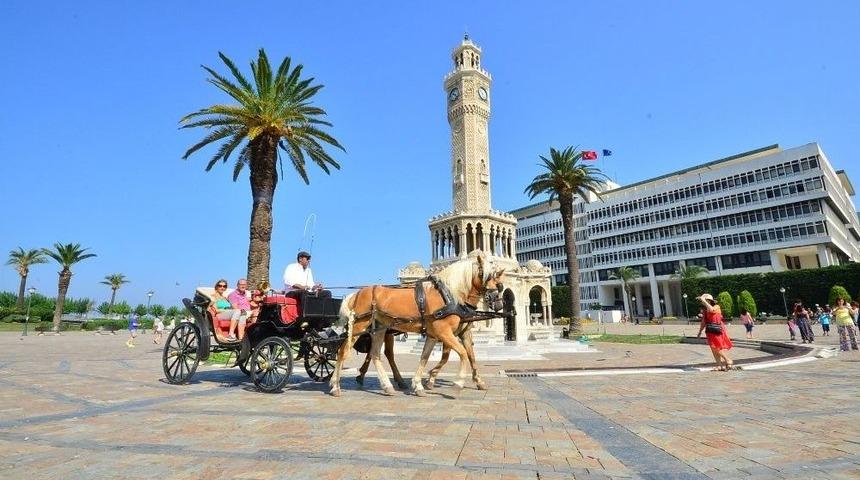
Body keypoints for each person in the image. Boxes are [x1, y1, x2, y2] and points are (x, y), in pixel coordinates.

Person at [696, 293, 737, 371]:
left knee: (716, 347)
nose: (702, 302)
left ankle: (728, 359)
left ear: (709, 300)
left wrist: (704, 300)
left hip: (717, 329)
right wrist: (700, 331)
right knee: (713, 347)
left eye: (703, 300)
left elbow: (712, 310)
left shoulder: (716, 307)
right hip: (710, 330)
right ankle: (719, 365)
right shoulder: (705, 310)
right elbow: (703, 322)